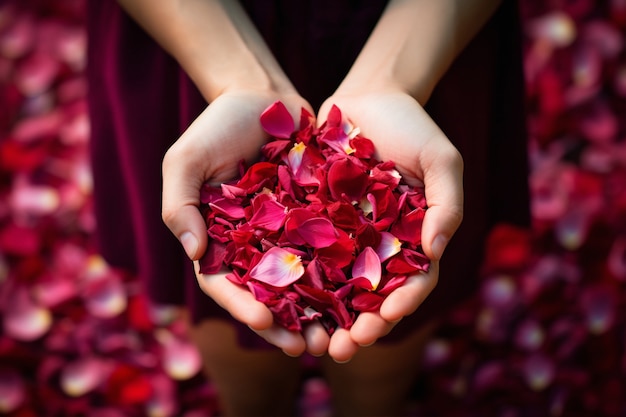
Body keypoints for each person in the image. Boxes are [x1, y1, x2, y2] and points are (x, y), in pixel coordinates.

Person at [86, 0, 530, 415]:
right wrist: (237, 78)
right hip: (194, 37)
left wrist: (393, 79)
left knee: (383, 369)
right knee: (245, 379)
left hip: (427, 42)